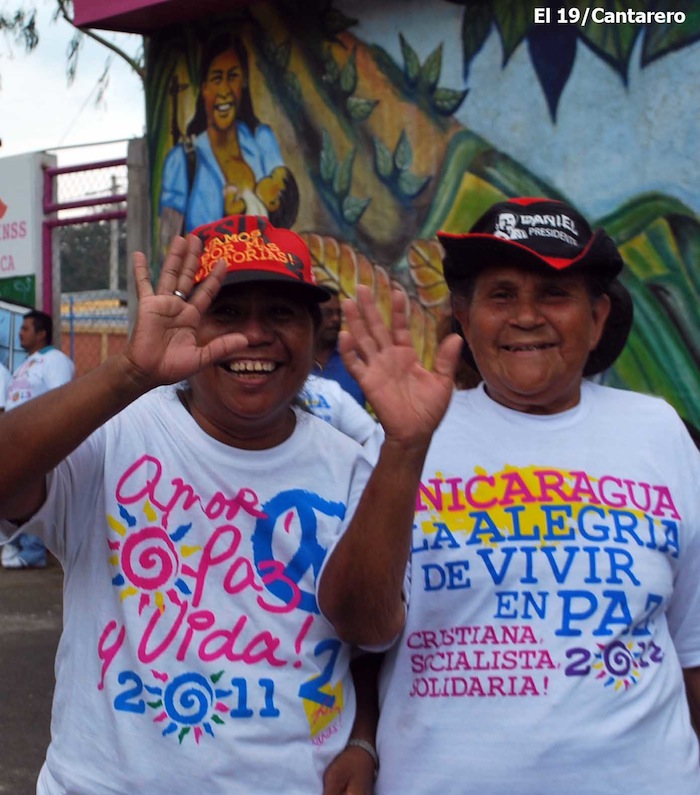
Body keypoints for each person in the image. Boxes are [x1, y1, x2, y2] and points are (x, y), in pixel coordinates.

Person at [0, 214, 453, 793]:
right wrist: (128, 373)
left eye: (281, 314)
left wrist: (405, 448)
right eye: (227, 313)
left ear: (315, 339)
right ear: (185, 324)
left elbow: (366, 632)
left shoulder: (357, 468)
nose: (254, 335)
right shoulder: (114, 434)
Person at [318, 197, 700, 793]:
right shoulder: (408, 435)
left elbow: (692, 647)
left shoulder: (659, 431)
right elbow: (360, 624)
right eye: (501, 295)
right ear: (464, 320)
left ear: (597, 319)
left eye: (554, 294)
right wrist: (405, 448)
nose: (527, 316)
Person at [159, 32, 299, 252]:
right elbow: (168, 245)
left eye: (232, 76)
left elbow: (283, 206)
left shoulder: (262, 140)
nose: (224, 91)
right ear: (204, 88)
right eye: (216, 78)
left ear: (243, 83)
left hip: (265, 275)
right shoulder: (182, 160)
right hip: (210, 281)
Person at [1, 309, 75, 569]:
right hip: (18, 441)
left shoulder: (54, 360)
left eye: (26, 328)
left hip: (38, 441)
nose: (20, 333)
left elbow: (60, 398)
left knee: (35, 485)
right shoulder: (25, 364)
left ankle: (32, 553)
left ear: (42, 333)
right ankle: (19, 547)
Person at [314, 287, 366, 407]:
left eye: (339, 313)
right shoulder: (296, 360)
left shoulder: (356, 359)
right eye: (327, 313)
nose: (335, 319)